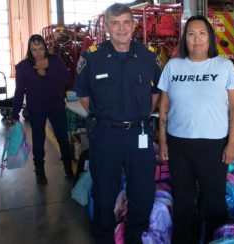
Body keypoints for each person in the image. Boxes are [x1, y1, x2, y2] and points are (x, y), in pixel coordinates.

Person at [73, 3, 161, 244]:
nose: (121, 28)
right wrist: (106, 116)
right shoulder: (92, 58)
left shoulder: (149, 57)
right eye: (115, 23)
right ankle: (104, 237)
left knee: (142, 190)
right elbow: (83, 95)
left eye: (126, 22)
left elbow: (155, 94)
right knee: (104, 191)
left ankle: (135, 236)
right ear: (107, 26)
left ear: (133, 26)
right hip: (106, 134)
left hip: (139, 134)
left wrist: (138, 114)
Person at [158, 15, 234, 243]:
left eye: (202, 33)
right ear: (185, 39)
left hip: (214, 146)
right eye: (191, 34)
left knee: (214, 201)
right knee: (183, 199)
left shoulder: (224, 66)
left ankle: (216, 239)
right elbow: (164, 107)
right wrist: (163, 142)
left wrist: (232, 144)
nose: (197, 39)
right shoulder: (173, 66)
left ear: (210, 38)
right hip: (179, 145)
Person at [12, 34, 73, 185]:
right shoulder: (23, 67)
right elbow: (19, 91)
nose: (38, 52)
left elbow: (66, 79)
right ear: (29, 50)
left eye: (40, 48)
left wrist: (46, 73)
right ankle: (39, 171)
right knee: (39, 141)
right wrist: (15, 113)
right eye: (34, 50)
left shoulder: (55, 61)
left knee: (63, 139)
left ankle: (68, 167)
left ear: (45, 47)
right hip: (36, 108)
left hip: (56, 106)